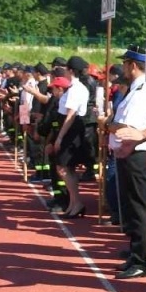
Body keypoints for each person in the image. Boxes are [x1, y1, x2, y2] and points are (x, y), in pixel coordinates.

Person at [108, 49, 146, 277]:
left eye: (126, 64)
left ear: (133, 65)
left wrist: (111, 126)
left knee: (140, 208)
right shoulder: (136, 89)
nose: (124, 69)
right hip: (127, 154)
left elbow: (130, 128)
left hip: (135, 155)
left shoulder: (144, 90)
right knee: (132, 208)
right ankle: (136, 252)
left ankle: (143, 259)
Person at [49, 56, 94, 218]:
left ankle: (76, 202)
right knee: (67, 167)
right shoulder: (73, 87)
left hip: (71, 130)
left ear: (70, 71)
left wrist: (60, 137)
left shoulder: (76, 89)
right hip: (69, 128)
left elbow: (71, 115)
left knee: (63, 167)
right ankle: (74, 203)